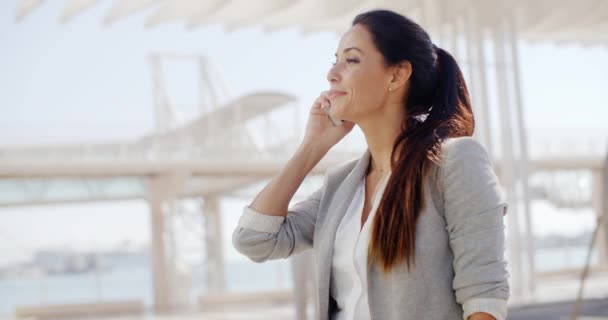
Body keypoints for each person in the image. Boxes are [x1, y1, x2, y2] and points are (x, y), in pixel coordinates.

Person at [232, 9, 509, 320]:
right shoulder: (341, 185)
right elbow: (254, 240)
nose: (332, 74)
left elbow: (484, 298)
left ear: (396, 75)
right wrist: (312, 146)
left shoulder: (455, 161)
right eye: (334, 60)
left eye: (351, 60)